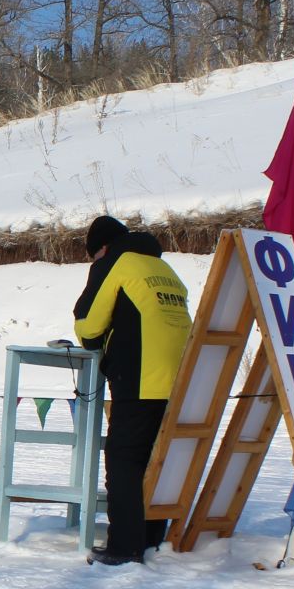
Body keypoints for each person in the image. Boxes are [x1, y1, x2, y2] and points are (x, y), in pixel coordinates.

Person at [72, 216, 191, 566]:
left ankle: (124, 545)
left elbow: (89, 323)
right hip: (181, 379)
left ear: (102, 248)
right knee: (158, 461)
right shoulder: (163, 268)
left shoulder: (114, 263)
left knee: (124, 460)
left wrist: (94, 338)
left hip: (140, 376)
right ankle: (152, 537)